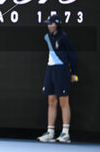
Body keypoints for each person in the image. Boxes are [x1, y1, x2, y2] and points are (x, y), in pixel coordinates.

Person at [37, 14, 78, 143]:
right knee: (51, 100)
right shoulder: (48, 36)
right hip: (51, 68)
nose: (49, 25)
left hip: (62, 69)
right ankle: (50, 132)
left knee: (63, 101)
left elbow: (73, 55)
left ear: (57, 24)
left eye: (51, 23)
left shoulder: (63, 37)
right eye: (48, 23)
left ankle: (65, 133)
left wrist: (74, 73)